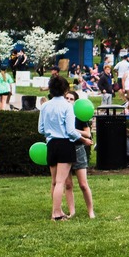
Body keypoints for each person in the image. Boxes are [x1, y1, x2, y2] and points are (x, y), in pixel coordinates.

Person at [38, 74, 79, 220]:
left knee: (55, 181)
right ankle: (56, 213)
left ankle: (58, 210)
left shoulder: (45, 106)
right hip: (65, 144)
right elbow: (71, 131)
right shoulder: (67, 106)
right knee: (61, 182)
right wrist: (82, 138)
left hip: (51, 144)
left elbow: (41, 129)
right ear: (65, 89)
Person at [60, 114, 95, 219]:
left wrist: (72, 130)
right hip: (65, 149)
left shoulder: (79, 116)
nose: (69, 102)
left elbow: (87, 134)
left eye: (71, 99)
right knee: (68, 184)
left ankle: (91, 211)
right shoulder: (61, 116)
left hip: (78, 149)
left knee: (83, 184)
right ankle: (72, 212)